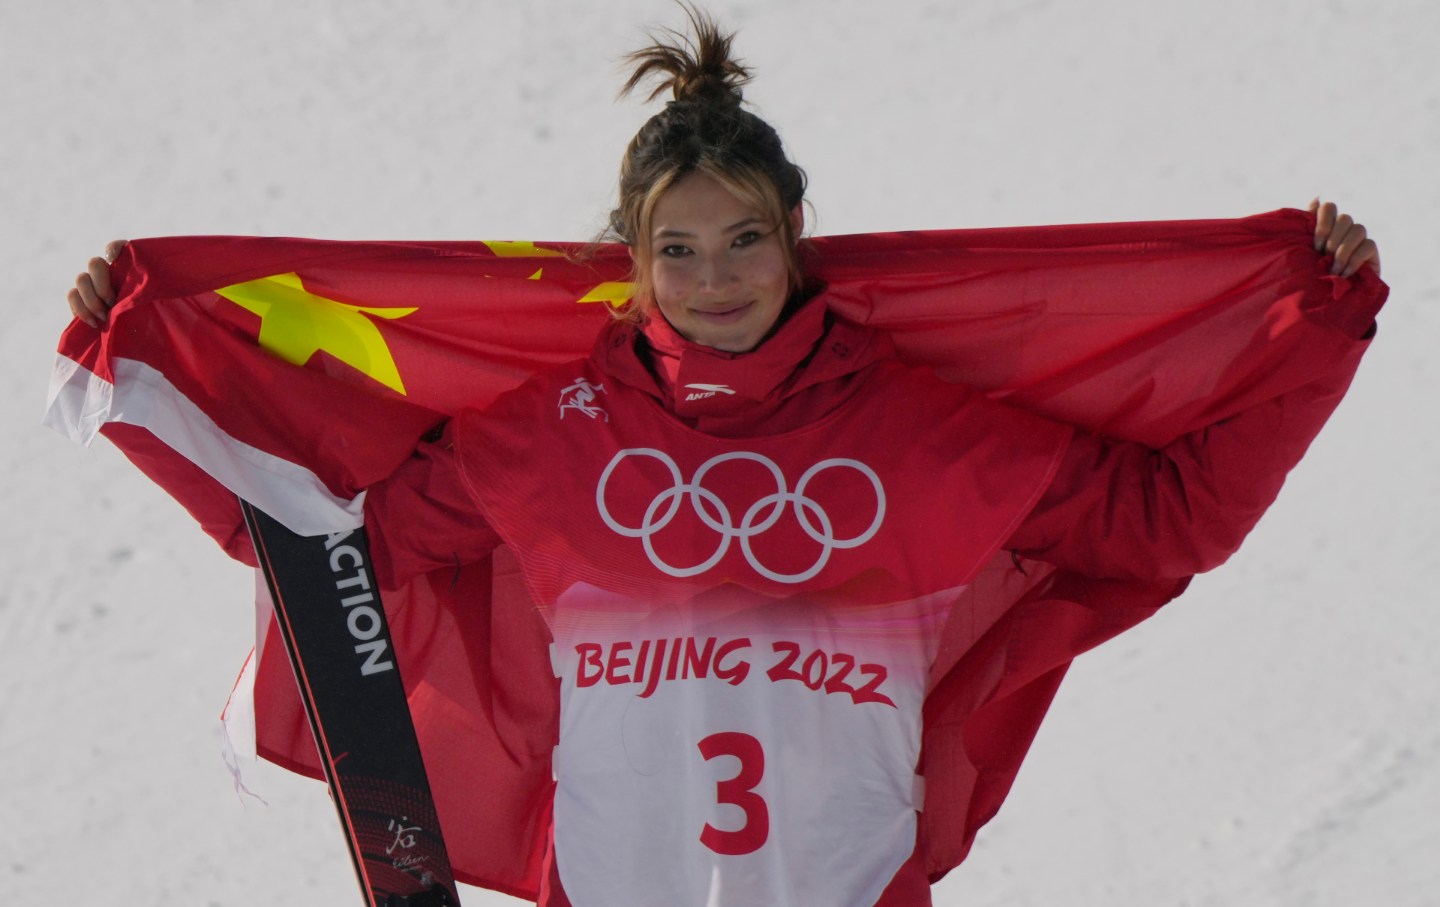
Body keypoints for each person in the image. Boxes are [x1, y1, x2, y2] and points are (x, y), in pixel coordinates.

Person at [64, 8, 1382, 907]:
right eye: (677, 251)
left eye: (743, 240)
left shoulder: (917, 431)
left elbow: (1168, 525)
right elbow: (335, 559)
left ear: (796, 232)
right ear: (629, 259)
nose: (714, 281)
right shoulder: (546, 436)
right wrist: (152, 388)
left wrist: (1316, 335)